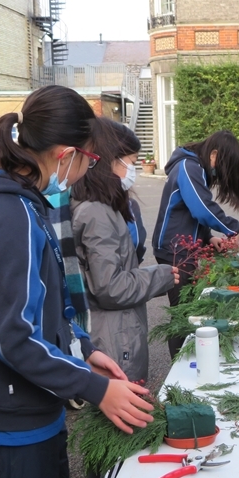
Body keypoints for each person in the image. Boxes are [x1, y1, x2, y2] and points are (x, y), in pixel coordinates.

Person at [0, 85, 155, 478]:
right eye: (90, 160)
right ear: (65, 155)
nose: (87, 171)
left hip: (30, 410)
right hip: (5, 420)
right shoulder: (7, 212)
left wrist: (86, 352)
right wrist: (97, 389)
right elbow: (14, 336)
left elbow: (49, 309)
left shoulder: (28, 205)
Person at [70, 119, 178, 385]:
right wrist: (161, 276)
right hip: (114, 340)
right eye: (131, 161)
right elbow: (111, 288)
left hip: (117, 332)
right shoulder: (97, 213)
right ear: (110, 161)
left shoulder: (105, 206)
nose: (133, 169)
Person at [152, 130, 239, 358]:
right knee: (183, 313)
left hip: (186, 249)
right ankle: (180, 366)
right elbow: (201, 208)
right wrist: (230, 228)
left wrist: (208, 237)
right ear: (214, 154)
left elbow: (191, 214)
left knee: (191, 307)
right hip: (174, 251)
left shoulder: (195, 168)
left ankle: (191, 358)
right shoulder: (188, 167)